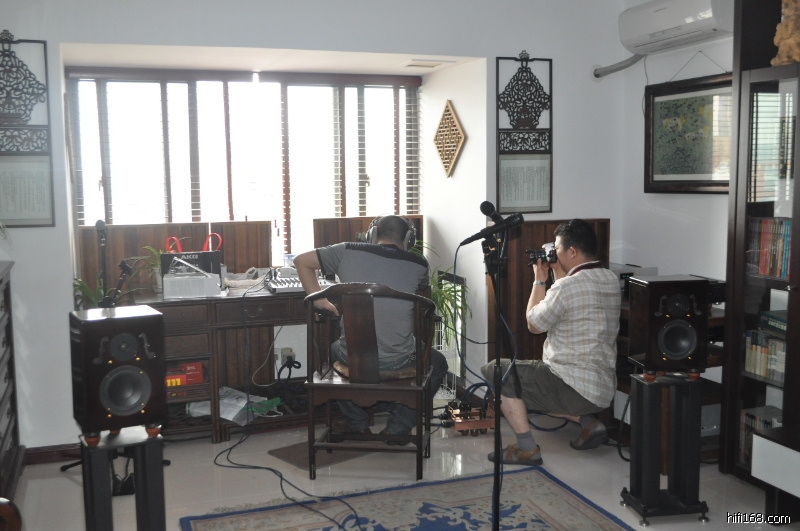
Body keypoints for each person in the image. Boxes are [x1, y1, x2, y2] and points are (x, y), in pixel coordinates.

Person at [294, 215, 449, 440]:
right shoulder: (419, 264)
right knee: (438, 363)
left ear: (372, 234)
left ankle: (357, 424)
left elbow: (301, 261)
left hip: (352, 359)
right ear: (408, 239)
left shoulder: (346, 250)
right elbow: (422, 288)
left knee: (334, 350)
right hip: (400, 360)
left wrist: (319, 300)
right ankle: (398, 428)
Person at [480, 218, 621, 466]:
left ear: (572, 252)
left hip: (571, 386)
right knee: (533, 387)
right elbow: (572, 299)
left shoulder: (566, 288)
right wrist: (557, 271)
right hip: (602, 388)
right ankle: (589, 423)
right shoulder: (610, 279)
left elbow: (534, 325)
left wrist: (539, 280)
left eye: (557, 249)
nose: (554, 253)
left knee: (497, 371)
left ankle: (527, 449)